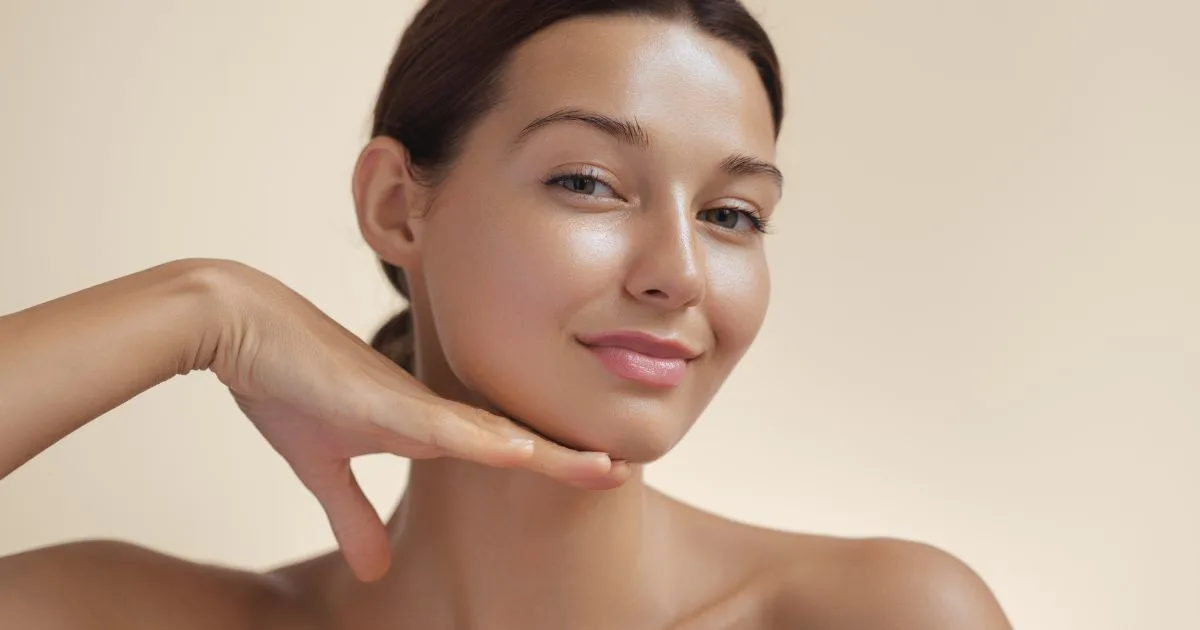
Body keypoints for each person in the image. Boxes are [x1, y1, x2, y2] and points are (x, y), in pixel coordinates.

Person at [0, 0, 1011, 628]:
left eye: (733, 214)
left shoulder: (881, 617)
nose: (682, 273)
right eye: (589, 182)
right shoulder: (120, 616)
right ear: (399, 206)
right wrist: (204, 310)